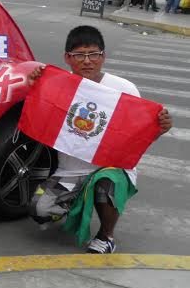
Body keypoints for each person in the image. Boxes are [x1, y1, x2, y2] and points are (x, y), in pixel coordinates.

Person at [27, 26, 173, 253]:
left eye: (93, 54)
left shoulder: (124, 89)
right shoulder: (58, 86)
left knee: (105, 183)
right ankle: (75, 202)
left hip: (111, 167)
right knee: (39, 210)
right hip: (71, 171)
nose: (87, 61)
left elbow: (137, 136)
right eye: (79, 55)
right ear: (67, 58)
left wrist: (159, 129)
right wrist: (34, 85)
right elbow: (38, 118)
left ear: (103, 56)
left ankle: (106, 237)